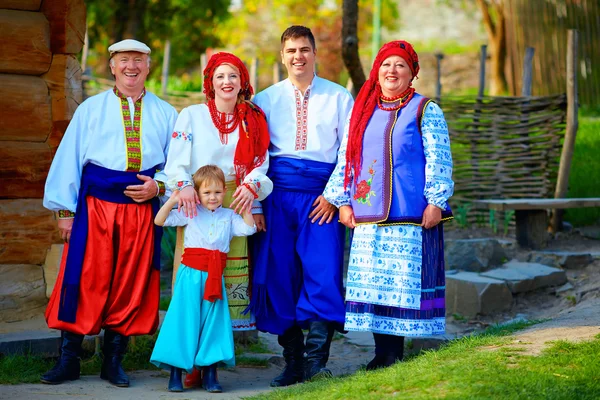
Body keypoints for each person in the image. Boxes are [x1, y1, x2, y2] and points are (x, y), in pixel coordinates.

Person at [40, 39, 178, 387]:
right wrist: (64, 212)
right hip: (95, 209)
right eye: (123, 60)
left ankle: (113, 361)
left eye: (138, 60)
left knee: (129, 282)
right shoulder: (91, 109)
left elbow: (177, 165)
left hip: (140, 211)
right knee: (86, 278)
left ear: (148, 66)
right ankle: (69, 360)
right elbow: (70, 158)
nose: (131, 67)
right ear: (112, 67)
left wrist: (158, 187)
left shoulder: (166, 112)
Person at [323, 40, 454, 370]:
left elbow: (440, 157)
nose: (392, 71)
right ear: (376, 71)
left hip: (409, 211)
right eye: (386, 65)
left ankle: (394, 353)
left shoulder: (425, 109)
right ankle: (383, 353)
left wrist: (436, 200)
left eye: (400, 65)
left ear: (412, 74)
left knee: (401, 283)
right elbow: (347, 157)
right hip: (367, 211)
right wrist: (342, 200)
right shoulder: (362, 110)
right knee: (377, 283)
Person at [248, 25, 354, 386]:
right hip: (277, 196)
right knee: (280, 276)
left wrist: (334, 196)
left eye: (304, 49)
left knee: (322, 273)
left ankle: (314, 362)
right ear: (282, 56)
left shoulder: (339, 97)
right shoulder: (264, 100)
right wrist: (259, 205)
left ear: (314, 53)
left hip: (320, 199)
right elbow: (256, 156)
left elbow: (349, 152)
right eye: (291, 50)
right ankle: (292, 361)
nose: (298, 56)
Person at [162, 52, 272, 387]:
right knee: (192, 281)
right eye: (220, 76)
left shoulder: (252, 118)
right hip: (196, 197)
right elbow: (177, 161)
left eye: (233, 76)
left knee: (225, 279)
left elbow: (259, 162)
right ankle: (186, 363)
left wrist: (253, 197)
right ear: (210, 82)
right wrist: (183, 188)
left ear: (243, 83)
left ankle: (211, 362)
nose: (227, 82)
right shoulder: (192, 115)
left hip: (234, 200)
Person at [151, 165, 256, 393]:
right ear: (197, 193)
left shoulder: (229, 216)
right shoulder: (190, 212)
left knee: (213, 323)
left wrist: (246, 208)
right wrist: (173, 199)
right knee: (184, 320)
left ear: (224, 193)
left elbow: (249, 229)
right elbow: (159, 220)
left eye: (218, 192)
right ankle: (176, 373)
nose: (213, 197)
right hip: (190, 274)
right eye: (207, 192)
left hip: (215, 275)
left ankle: (210, 373)